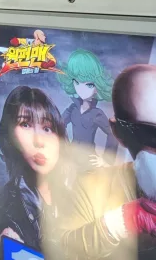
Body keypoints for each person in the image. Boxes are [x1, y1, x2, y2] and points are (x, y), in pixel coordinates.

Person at [57, 64, 156, 258]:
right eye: (150, 134)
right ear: (119, 131)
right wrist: (122, 222)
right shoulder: (92, 186)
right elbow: (62, 250)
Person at [0, 86, 68, 252]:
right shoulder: (8, 211)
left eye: (47, 128)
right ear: (10, 136)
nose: (39, 141)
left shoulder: (76, 190)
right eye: (26, 124)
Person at [57, 49, 118, 169]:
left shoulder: (97, 114)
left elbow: (112, 134)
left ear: (97, 87)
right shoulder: (72, 109)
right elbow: (58, 124)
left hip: (88, 162)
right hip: (71, 160)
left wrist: (106, 159)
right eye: (77, 82)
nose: (82, 89)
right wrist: (66, 146)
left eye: (89, 85)